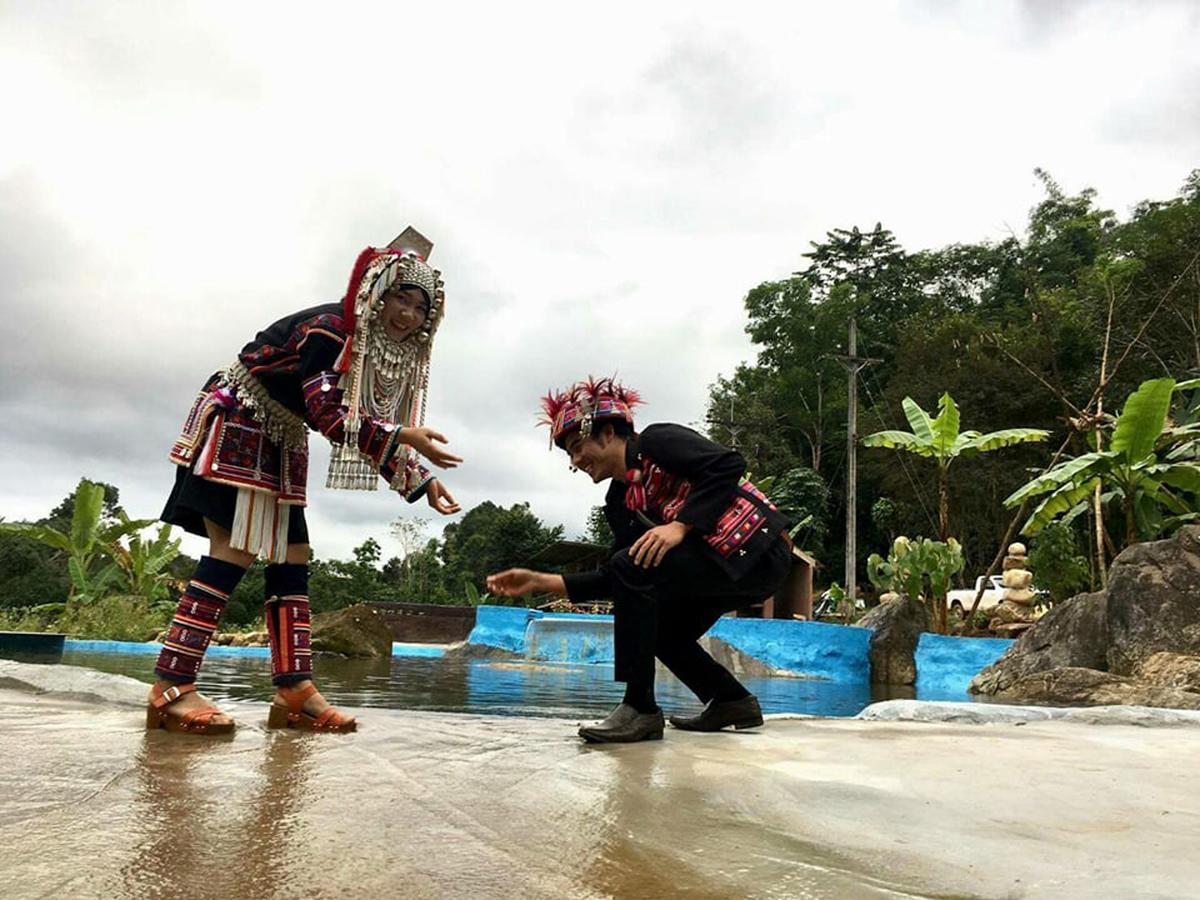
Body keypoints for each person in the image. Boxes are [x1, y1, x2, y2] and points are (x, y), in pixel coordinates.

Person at [147, 229, 462, 735]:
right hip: (241, 416)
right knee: (233, 550)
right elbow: (329, 413)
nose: (406, 314)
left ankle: (294, 690)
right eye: (399, 297)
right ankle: (171, 686)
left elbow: (351, 422)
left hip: (282, 434)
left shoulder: (366, 353)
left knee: (294, 557)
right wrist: (405, 437)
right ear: (375, 294)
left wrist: (420, 482)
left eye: (419, 307)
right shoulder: (330, 330)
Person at [487, 377, 790, 743]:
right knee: (661, 633)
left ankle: (640, 709)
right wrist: (542, 581)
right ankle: (731, 701)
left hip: (760, 552)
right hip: (721, 566)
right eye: (569, 455)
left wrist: (680, 525)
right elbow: (624, 572)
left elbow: (727, 464)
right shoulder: (619, 502)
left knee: (632, 567)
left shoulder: (658, 442)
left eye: (578, 447)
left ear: (609, 433)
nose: (576, 461)